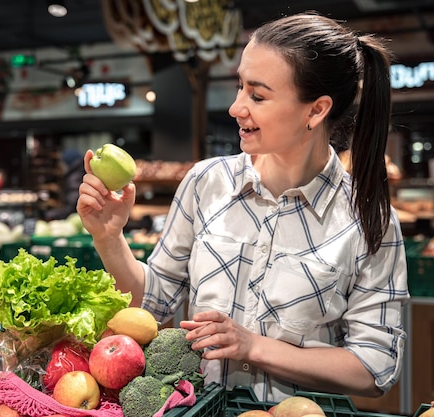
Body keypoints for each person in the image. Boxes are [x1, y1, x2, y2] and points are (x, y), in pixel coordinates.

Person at [76, 12, 409, 403]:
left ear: (316, 111)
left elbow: (375, 367)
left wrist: (253, 347)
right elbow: (152, 303)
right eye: (240, 87)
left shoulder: (370, 221)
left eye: (258, 95)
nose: (236, 108)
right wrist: (109, 237)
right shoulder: (206, 182)